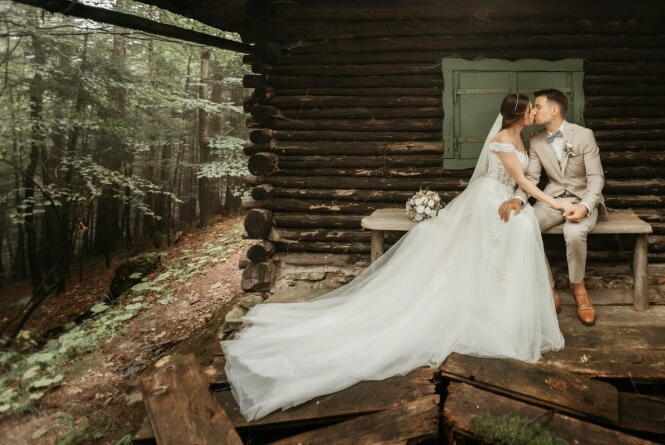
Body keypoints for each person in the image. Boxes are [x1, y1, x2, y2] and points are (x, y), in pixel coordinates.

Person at [221, 93, 567, 421]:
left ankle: (501, 299)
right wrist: (555, 203)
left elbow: (523, 184)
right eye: (532, 108)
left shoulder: (525, 138)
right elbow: (522, 178)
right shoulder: (504, 140)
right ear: (522, 113)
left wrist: (522, 200)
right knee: (509, 234)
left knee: (517, 231)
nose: (537, 112)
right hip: (488, 198)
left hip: (505, 198)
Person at [498, 89, 605, 326]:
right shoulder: (535, 140)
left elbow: (596, 177)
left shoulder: (584, 135)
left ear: (553, 109)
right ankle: (548, 286)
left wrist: (586, 207)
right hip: (553, 200)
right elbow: (531, 178)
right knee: (525, 225)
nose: (534, 111)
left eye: (538, 106)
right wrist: (518, 198)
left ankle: (579, 289)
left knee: (574, 233)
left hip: (582, 199)